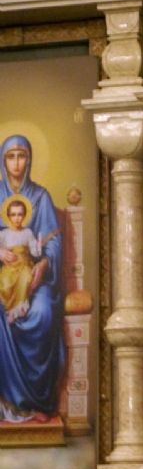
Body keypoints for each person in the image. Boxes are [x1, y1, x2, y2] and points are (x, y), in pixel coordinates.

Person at [0, 134, 65, 423]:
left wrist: (45, 264)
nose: (16, 163)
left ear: (29, 159)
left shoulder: (41, 197)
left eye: (21, 156)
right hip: (3, 278)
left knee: (42, 312)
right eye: (10, 157)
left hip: (35, 279)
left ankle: (37, 401)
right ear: (3, 162)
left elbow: (52, 243)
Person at [0, 197, 44, 324]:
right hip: (10, 267)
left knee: (26, 278)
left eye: (20, 214)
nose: (17, 218)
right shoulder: (4, 234)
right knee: (5, 283)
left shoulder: (28, 232)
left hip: (24, 265)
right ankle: (8, 310)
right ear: (8, 216)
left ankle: (17, 311)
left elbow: (35, 253)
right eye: (13, 214)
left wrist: (39, 245)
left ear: (24, 216)